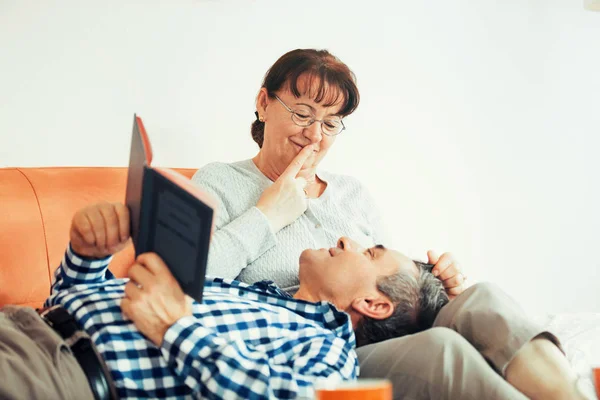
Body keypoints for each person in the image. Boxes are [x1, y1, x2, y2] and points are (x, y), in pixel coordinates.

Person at [1, 203, 588, 400]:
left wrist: (178, 329)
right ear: (265, 105)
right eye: (302, 112)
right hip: (28, 326)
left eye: (370, 247)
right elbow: (85, 307)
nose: (347, 236)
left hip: (56, 374)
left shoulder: (325, 350)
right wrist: (85, 256)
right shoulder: (245, 286)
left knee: (466, 312)